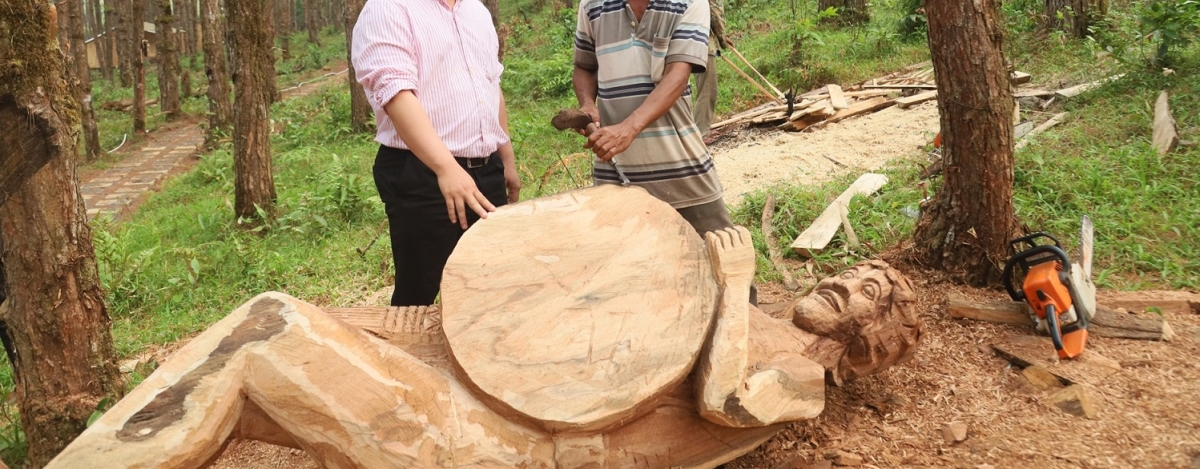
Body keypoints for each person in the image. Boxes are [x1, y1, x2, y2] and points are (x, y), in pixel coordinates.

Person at [45, 202, 922, 469]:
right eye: (860, 271)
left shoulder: (800, 379)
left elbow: (725, 400)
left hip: (510, 450)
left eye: (871, 291)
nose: (851, 279)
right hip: (496, 412)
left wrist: (731, 285)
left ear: (870, 343)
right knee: (272, 330)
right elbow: (457, 338)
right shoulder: (738, 310)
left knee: (264, 335)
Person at [352, 0, 520, 307]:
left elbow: (489, 85)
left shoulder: (476, 11)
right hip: (422, 175)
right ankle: (407, 368)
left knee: (490, 287)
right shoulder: (389, 8)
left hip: (485, 170)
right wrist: (445, 168)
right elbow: (395, 94)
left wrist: (506, 160)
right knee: (421, 291)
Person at [572, 0, 738, 248]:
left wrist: (628, 129)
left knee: (719, 247)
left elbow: (677, 75)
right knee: (626, 260)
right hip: (615, 166)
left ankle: (744, 307)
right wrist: (587, 103)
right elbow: (585, 66)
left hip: (679, 161)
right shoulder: (593, 0)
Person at [693, 0, 736, 138]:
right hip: (705, 45)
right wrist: (723, 40)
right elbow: (716, 17)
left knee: (702, 88)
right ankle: (701, 134)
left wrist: (723, 38)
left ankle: (701, 129)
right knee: (708, 91)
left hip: (692, 44)